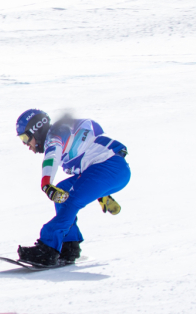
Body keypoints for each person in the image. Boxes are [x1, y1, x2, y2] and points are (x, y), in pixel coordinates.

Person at [14, 109, 131, 266]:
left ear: (36, 129)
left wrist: (46, 183)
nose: (26, 145)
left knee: (70, 201)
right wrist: (101, 194)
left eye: (25, 138)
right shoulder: (65, 134)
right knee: (64, 191)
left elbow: (52, 155)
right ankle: (69, 246)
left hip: (110, 167)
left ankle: (47, 250)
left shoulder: (55, 135)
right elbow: (91, 151)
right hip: (109, 169)